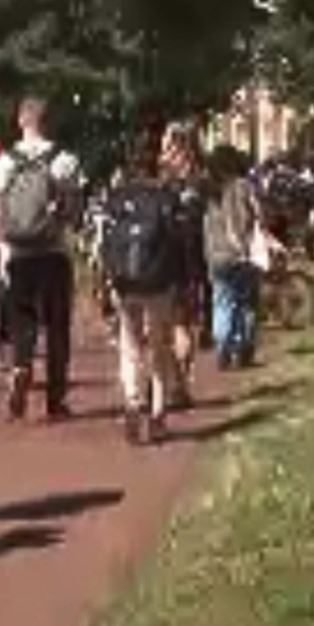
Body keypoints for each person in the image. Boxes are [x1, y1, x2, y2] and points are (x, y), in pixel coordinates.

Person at [0, 96, 84, 422]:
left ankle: (21, 365)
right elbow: (73, 211)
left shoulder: (2, 163)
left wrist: (4, 241)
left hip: (18, 255)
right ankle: (56, 399)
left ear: (21, 121)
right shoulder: (66, 161)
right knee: (57, 326)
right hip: (54, 252)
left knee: (21, 321)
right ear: (48, 121)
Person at [99, 132, 190, 444]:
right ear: (158, 163)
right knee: (160, 347)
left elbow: (105, 243)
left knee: (130, 344)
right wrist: (183, 282)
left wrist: (108, 279)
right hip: (160, 281)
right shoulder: (167, 197)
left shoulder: (117, 197)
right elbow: (180, 243)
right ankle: (158, 412)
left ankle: (133, 401)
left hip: (126, 282)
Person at [158, 123, 207, 408]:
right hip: (189, 259)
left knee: (169, 326)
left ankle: (173, 382)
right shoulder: (197, 179)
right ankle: (180, 383)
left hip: (162, 259)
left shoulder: (162, 178)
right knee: (182, 324)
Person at [203, 145, 262, 370]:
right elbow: (259, 212)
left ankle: (223, 348)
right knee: (247, 303)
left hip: (215, 256)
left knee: (223, 303)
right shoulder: (244, 186)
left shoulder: (210, 191)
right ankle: (243, 348)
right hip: (242, 253)